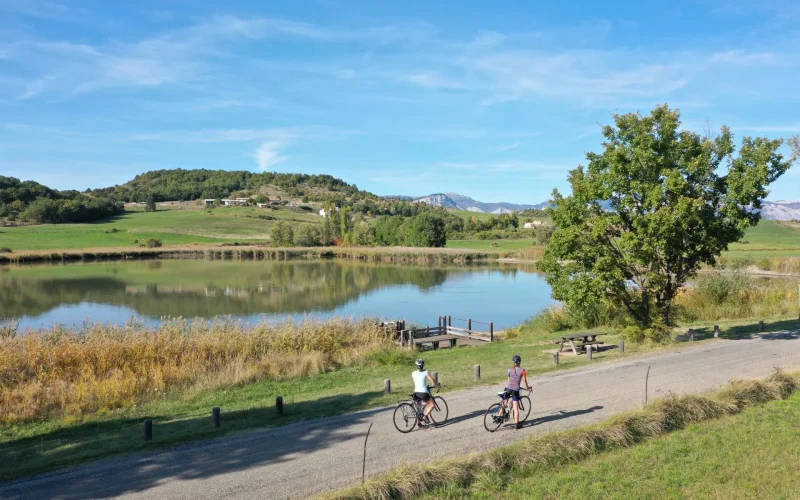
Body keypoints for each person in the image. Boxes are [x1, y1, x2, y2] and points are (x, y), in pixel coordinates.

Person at [503, 354, 532, 429]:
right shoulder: (523, 371)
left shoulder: (509, 370)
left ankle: (499, 416)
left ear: (513, 362)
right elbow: (524, 381)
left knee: (504, 403)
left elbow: (509, 380)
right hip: (515, 390)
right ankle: (517, 425)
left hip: (507, 388)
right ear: (520, 362)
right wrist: (528, 388)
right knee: (516, 409)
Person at [411, 358, 439, 426]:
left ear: (416, 365)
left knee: (419, 408)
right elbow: (432, 380)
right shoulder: (425, 372)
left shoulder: (413, 373)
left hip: (416, 393)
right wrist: (436, 384)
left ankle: (419, 422)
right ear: (423, 365)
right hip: (423, 392)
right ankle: (425, 416)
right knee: (432, 404)